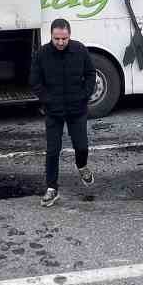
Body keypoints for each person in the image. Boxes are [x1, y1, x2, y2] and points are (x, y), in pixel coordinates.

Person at [29, 18, 96, 207]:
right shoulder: (42, 54)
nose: (60, 42)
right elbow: (35, 81)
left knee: (81, 146)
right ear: (51, 35)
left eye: (64, 38)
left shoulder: (80, 50)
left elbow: (91, 73)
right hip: (53, 111)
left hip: (77, 109)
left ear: (69, 36)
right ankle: (52, 189)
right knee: (52, 151)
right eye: (56, 38)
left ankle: (82, 166)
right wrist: (47, 100)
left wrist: (84, 95)